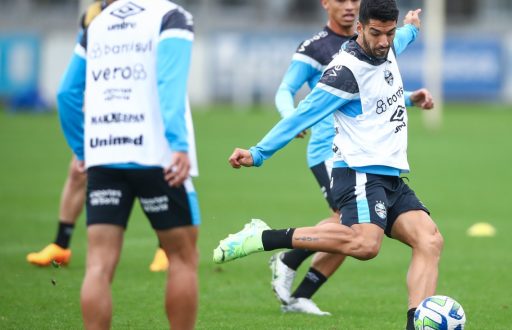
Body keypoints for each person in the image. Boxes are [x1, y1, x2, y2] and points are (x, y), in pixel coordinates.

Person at [215, 1, 441, 329]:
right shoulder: (344, 71)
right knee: (365, 245)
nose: (383, 41)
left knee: (430, 240)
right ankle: (264, 237)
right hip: (359, 172)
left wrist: (411, 26)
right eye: (376, 33)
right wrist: (258, 152)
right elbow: (303, 113)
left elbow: (403, 38)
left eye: (388, 33)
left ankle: (416, 325)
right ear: (360, 28)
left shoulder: (389, 44)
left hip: (390, 176)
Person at [271, 0, 434, 315]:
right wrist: (289, 119)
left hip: (366, 148)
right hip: (329, 151)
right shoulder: (315, 49)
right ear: (325, 3)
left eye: (354, 1)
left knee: (354, 228)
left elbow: (373, 96)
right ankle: (287, 258)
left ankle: (298, 287)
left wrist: (410, 99)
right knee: (355, 230)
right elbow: (285, 90)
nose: (348, 6)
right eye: (341, 0)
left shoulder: (376, 42)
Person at [57, 0, 200, 328]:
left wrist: (83, 149)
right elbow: (170, 84)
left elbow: (66, 93)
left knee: (98, 265)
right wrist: (178, 144)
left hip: (104, 155)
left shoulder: (97, 22)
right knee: (182, 258)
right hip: (157, 156)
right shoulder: (171, 16)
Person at [27, 0, 169, 273]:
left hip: (142, 106)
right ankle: (60, 245)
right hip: (107, 108)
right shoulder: (93, 15)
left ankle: (165, 247)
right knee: (78, 171)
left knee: (157, 173)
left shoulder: (151, 11)